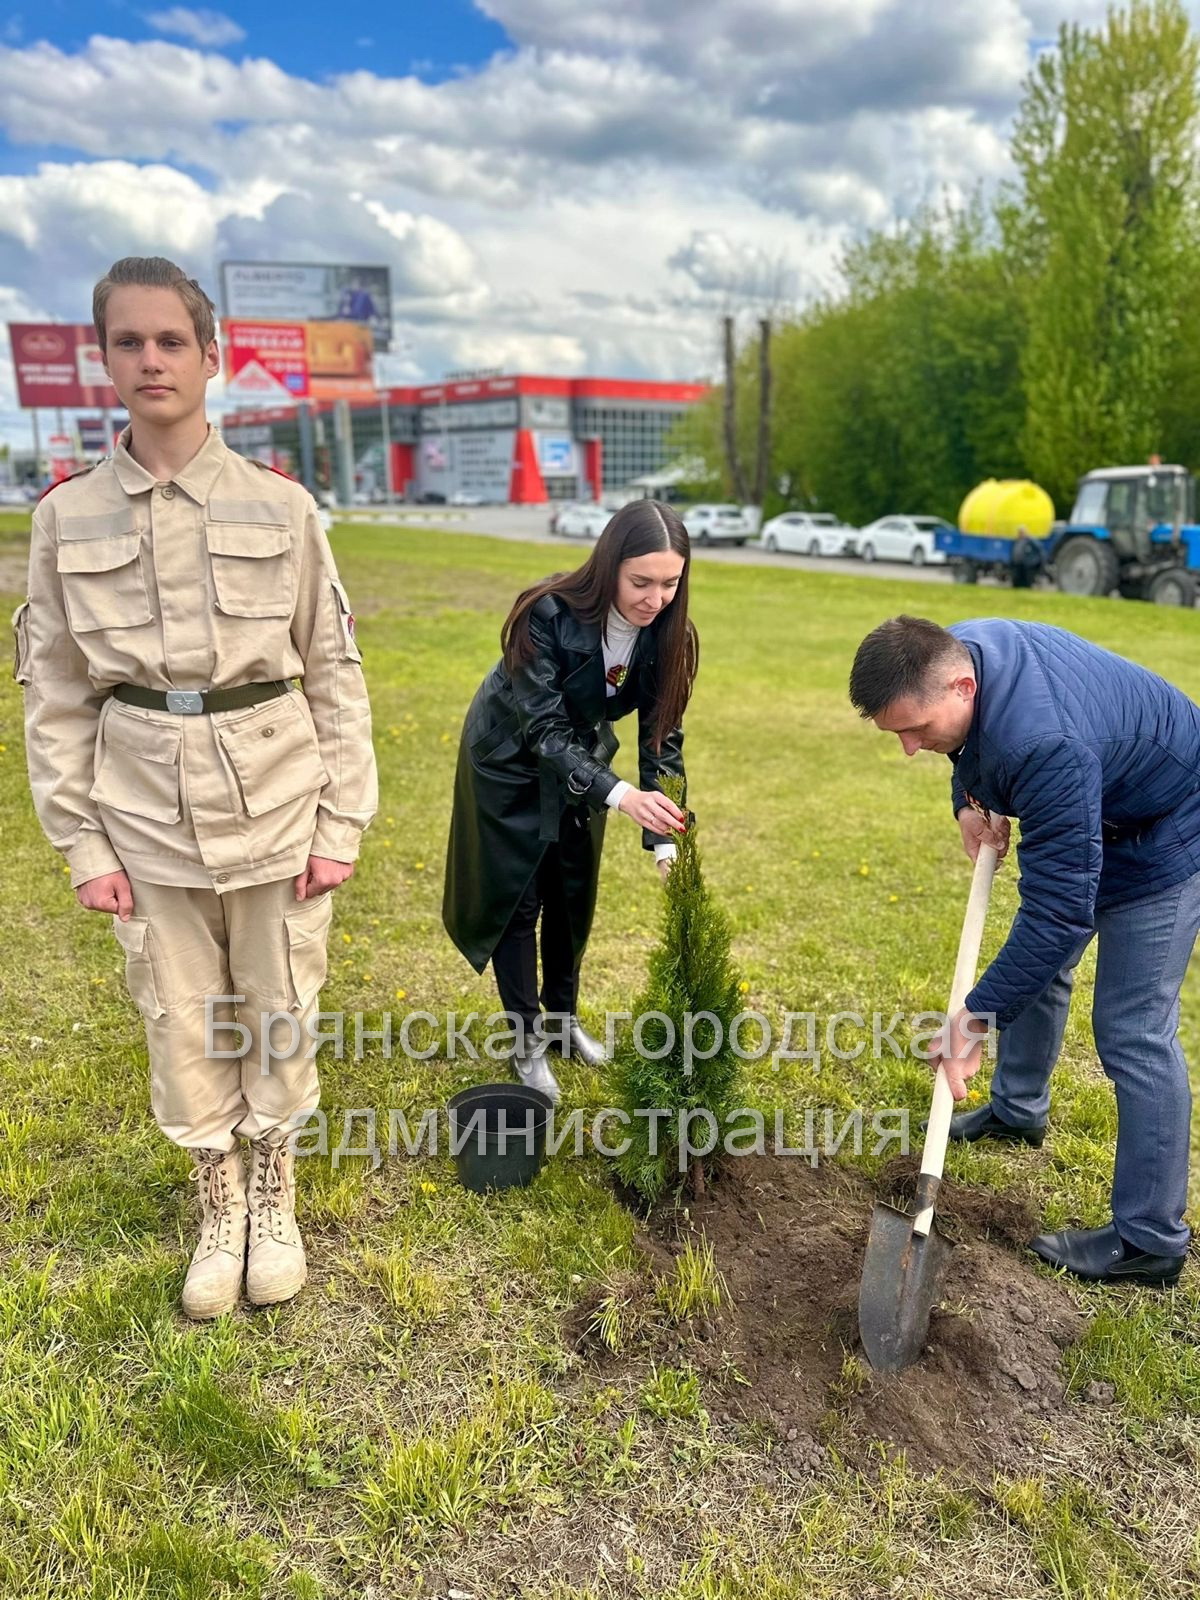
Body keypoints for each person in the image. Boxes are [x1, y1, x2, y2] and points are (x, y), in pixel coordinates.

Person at [12, 256, 378, 1319]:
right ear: (103, 358)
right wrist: (82, 845)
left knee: (276, 1007)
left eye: (172, 340)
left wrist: (341, 819)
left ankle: (274, 1194)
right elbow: (58, 695)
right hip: (142, 810)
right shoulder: (66, 519)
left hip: (275, 798)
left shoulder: (283, 506)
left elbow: (336, 670)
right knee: (180, 1017)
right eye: (129, 341)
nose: (151, 359)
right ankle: (217, 1201)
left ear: (212, 359)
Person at [848, 614, 1200, 1288]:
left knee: (1132, 1028)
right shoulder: (951, 655)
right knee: (1038, 971)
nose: (909, 749)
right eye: (896, 734)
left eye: (916, 730)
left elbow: (1061, 911)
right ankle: (1017, 1110)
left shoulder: (1041, 741)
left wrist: (975, 1020)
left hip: (1169, 825)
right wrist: (968, 802)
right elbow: (968, 748)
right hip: (1101, 797)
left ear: (962, 685)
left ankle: (1151, 1240)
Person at [442, 501, 696, 1102]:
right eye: (640, 582)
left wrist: (663, 833)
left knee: (571, 893)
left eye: (669, 583)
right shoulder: (546, 614)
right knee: (519, 899)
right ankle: (526, 1041)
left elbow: (661, 736)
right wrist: (619, 793)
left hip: (583, 760)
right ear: (608, 566)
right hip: (508, 760)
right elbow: (542, 731)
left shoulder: (671, 635)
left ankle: (562, 1025)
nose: (654, 598)